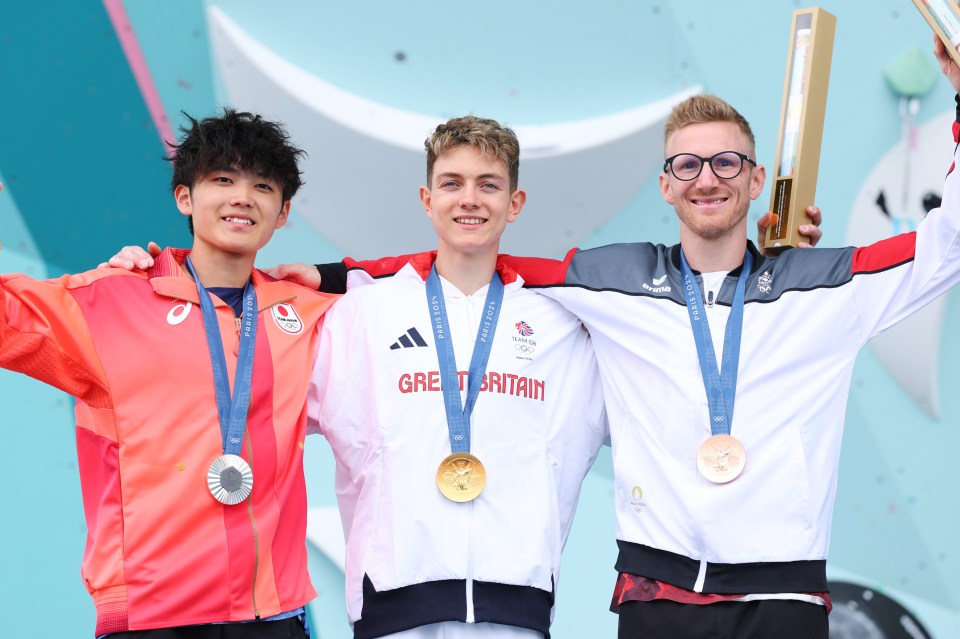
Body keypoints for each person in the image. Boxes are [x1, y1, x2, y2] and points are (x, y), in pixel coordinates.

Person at [0, 109, 337, 638]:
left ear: (283, 211)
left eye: (262, 185)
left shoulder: (310, 313)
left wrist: (334, 274)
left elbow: (455, 273)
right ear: (185, 197)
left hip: (271, 615)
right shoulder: (109, 300)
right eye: (222, 179)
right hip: (151, 616)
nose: (242, 196)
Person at [306, 116, 607, 638]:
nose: (470, 199)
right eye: (452, 183)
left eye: (488, 184)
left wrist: (779, 260)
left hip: (516, 605)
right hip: (392, 605)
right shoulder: (360, 313)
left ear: (515, 204)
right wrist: (152, 274)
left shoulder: (565, 321)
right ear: (427, 199)